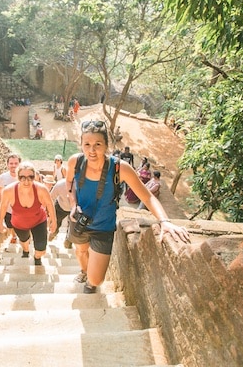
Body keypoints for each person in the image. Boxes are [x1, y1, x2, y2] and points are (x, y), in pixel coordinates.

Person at [66, 120, 190, 293]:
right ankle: (84, 271)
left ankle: (90, 279)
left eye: (97, 144)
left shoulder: (120, 168)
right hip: (79, 220)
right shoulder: (75, 162)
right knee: (80, 251)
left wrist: (164, 221)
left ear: (107, 146)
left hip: (103, 226)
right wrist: (73, 204)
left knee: (96, 280)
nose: (91, 150)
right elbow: (69, 183)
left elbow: (147, 196)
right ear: (81, 144)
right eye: (87, 144)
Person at [0, 162, 57, 266]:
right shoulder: (9, 191)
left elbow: (49, 203)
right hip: (19, 223)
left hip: (38, 221)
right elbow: (3, 206)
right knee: (24, 241)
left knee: (41, 249)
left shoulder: (41, 189)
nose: (26, 181)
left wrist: (54, 221)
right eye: (22, 177)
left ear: (35, 177)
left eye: (30, 177)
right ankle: (26, 251)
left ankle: (37, 257)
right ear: (17, 177)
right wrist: (0, 222)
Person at [0, 154, 21, 244]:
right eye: (11, 163)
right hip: (8, 209)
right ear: (7, 164)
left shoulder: (23, 178)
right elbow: (0, 191)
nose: (13, 165)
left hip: (22, 209)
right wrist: (1, 204)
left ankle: (25, 240)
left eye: (16, 163)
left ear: (19, 164)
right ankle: (14, 236)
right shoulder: (2, 177)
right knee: (10, 226)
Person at [48, 178, 72, 246]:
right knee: (56, 223)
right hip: (60, 206)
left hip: (74, 208)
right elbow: (51, 197)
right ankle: (53, 233)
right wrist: (50, 212)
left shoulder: (79, 183)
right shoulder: (60, 184)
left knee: (72, 227)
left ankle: (68, 242)